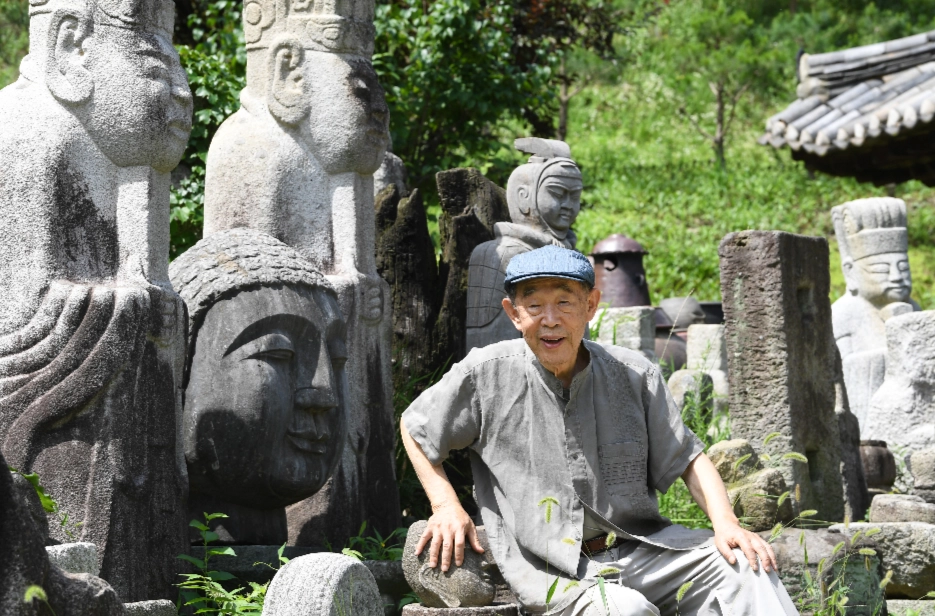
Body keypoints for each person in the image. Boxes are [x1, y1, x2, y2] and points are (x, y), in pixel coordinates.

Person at [401, 245, 797, 615]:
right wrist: (445, 505)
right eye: (534, 305)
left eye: (565, 303)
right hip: (555, 571)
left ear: (591, 306)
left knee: (749, 566)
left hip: (645, 549)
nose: (550, 319)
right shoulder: (485, 373)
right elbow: (415, 427)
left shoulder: (634, 373)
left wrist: (726, 523)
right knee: (627, 611)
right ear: (513, 313)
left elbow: (689, 459)